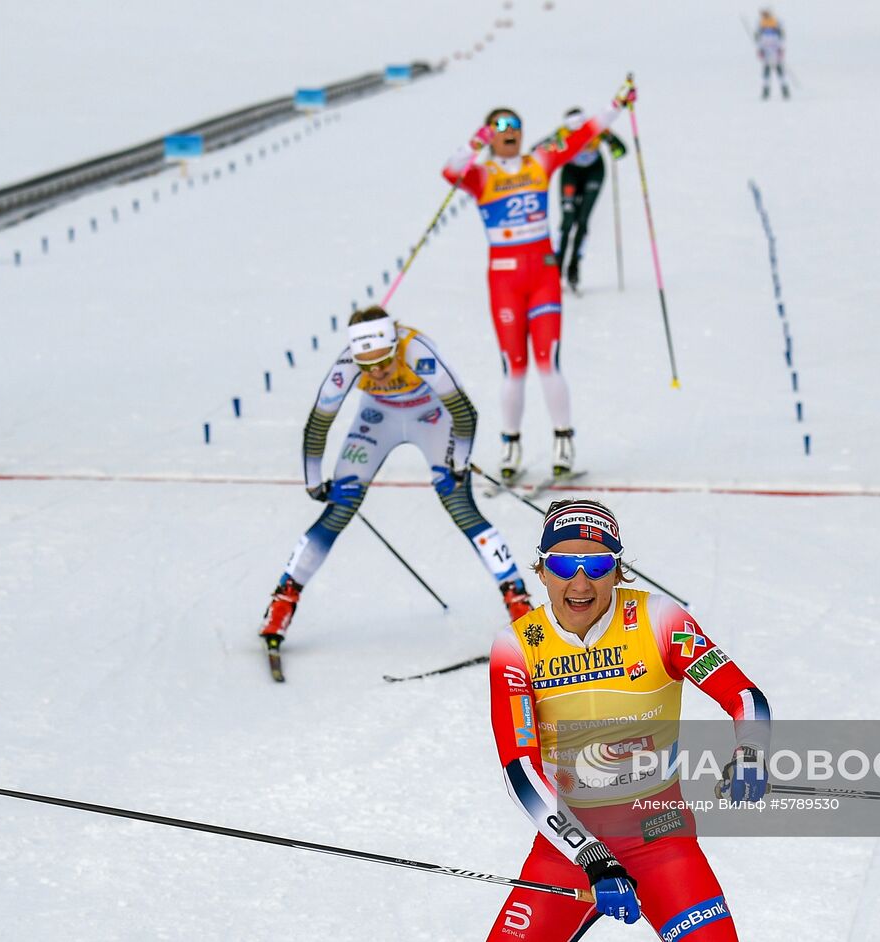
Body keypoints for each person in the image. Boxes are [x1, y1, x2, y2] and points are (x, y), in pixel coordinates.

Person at [486, 499, 772, 940]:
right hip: (568, 848)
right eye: (564, 565)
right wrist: (591, 855)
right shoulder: (517, 646)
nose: (579, 583)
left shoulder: (659, 620)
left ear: (618, 570)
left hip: (660, 838)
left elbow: (744, 696)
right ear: (542, 571)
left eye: (597, 565)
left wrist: (750, 750)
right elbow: (520, 771)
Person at [258, 307, 533, 651]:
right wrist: (313, 482)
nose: (378, 373)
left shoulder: (417, 351)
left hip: (430, 417)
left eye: (384, 363)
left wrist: (459, 464)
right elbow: (317, 425)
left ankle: (518, 600)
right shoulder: (346, 365)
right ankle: (283, 600)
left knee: (460, 505)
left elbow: (464, 413)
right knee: (339, 508)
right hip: (377, 419)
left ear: (394, 349)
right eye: (367, 367)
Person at [441, 79, 636, 483]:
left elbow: (584, 133)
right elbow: (450, 170)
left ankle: (563, 441)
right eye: (500, 126)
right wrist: (476, 141)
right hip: (505, 281)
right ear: (489, 136)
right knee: (515, 368)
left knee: (549, 363)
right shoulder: (482, 175)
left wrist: (617, 104)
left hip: (543, 277)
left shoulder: (538, 162)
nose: (509, 131)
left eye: (514, 125)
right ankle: (510, 445)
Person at [539, 107, 627, 293]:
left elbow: (621, 150)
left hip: (594, 172)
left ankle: (574, 266)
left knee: (583, 220)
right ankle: (557, 267)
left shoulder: (596, 130)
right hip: (571, 173)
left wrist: (612, 145)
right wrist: (551, 148)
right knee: (568, 220)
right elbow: (538, 151)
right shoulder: (562, 134)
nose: (577, 135)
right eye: (573, 131)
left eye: (580, 131)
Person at [755, 9, 790, 100]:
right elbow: (760, 41)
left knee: (777, 71)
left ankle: (783, 90)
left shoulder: (774, 23)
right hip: (768, 52)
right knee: (769, 72)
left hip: (774, 51)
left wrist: (780, 51)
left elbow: (780, 39)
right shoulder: (762, 25)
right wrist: (760, 50)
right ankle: (767, 91)